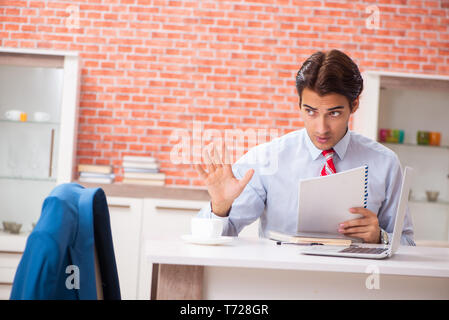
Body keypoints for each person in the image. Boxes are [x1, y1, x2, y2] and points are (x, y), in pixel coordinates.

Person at [195, 49, 415, 245]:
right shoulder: (267, 160)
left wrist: (380, 237)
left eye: (334, 113)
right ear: (299, 104)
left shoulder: (385, 163)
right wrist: (220, 208)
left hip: (354, 285)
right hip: (283, 283)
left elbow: (406, 244)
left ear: (354, 105)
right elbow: (213, 240)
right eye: (310, 111)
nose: (321, 128)